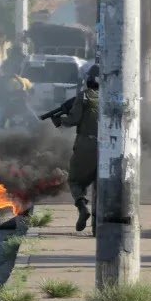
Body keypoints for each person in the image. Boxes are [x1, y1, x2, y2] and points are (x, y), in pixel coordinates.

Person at [54, 65, 100, 231]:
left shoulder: (85, 97)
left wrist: (60, 121)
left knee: (75, 180)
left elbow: (74, 119)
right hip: (111, 148)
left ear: (89, 80)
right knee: (102, 183)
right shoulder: (114, 96)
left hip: (87, 145)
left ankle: (82, 207)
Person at [0, 65, 37, 130]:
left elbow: (8, 92)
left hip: (13, 103)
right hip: (17, 103)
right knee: (32, 116)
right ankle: (40, 126)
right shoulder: (22, 80)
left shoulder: (9, 80)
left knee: (0, 118)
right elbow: (32, 90)